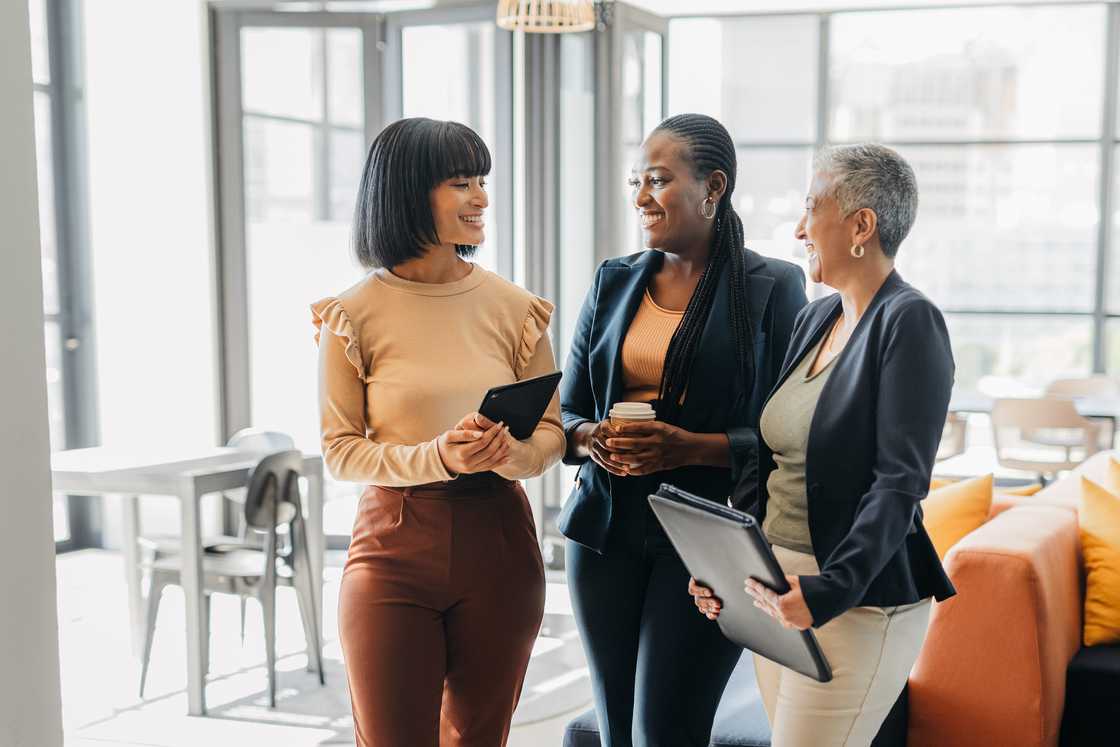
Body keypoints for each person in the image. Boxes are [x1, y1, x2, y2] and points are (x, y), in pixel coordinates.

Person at [689, 143, 957, 747]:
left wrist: (832, 588)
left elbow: (900, 484)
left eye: (812, 208)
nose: (798, 228)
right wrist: (731, 570)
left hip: (851, 599)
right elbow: (769, 458)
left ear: (862, 225)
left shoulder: (909, 322)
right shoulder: (817, 319)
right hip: (778, 590)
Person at [312, 117, 564, 747]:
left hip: (499, 542)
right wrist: (438, 457)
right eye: (461, 183)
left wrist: (512, 454)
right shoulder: (352, 314)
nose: (480, 197)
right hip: (392, 545)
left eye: (481, 181)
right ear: (405, 193)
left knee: (480, 738)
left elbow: (553, 434)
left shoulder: (516, 308)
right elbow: (340, 452)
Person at [560, 113, 808, 746]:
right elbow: (566, 412)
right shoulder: (614, 280)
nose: (641, 197)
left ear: (713, 187)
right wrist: (594, 439)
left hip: (705, 544)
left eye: (659, 179)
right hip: (603, 530)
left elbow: (787, 435)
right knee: (616, 730)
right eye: (636, 180)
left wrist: (686, 447)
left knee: (666, 732)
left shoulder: (772, 287)